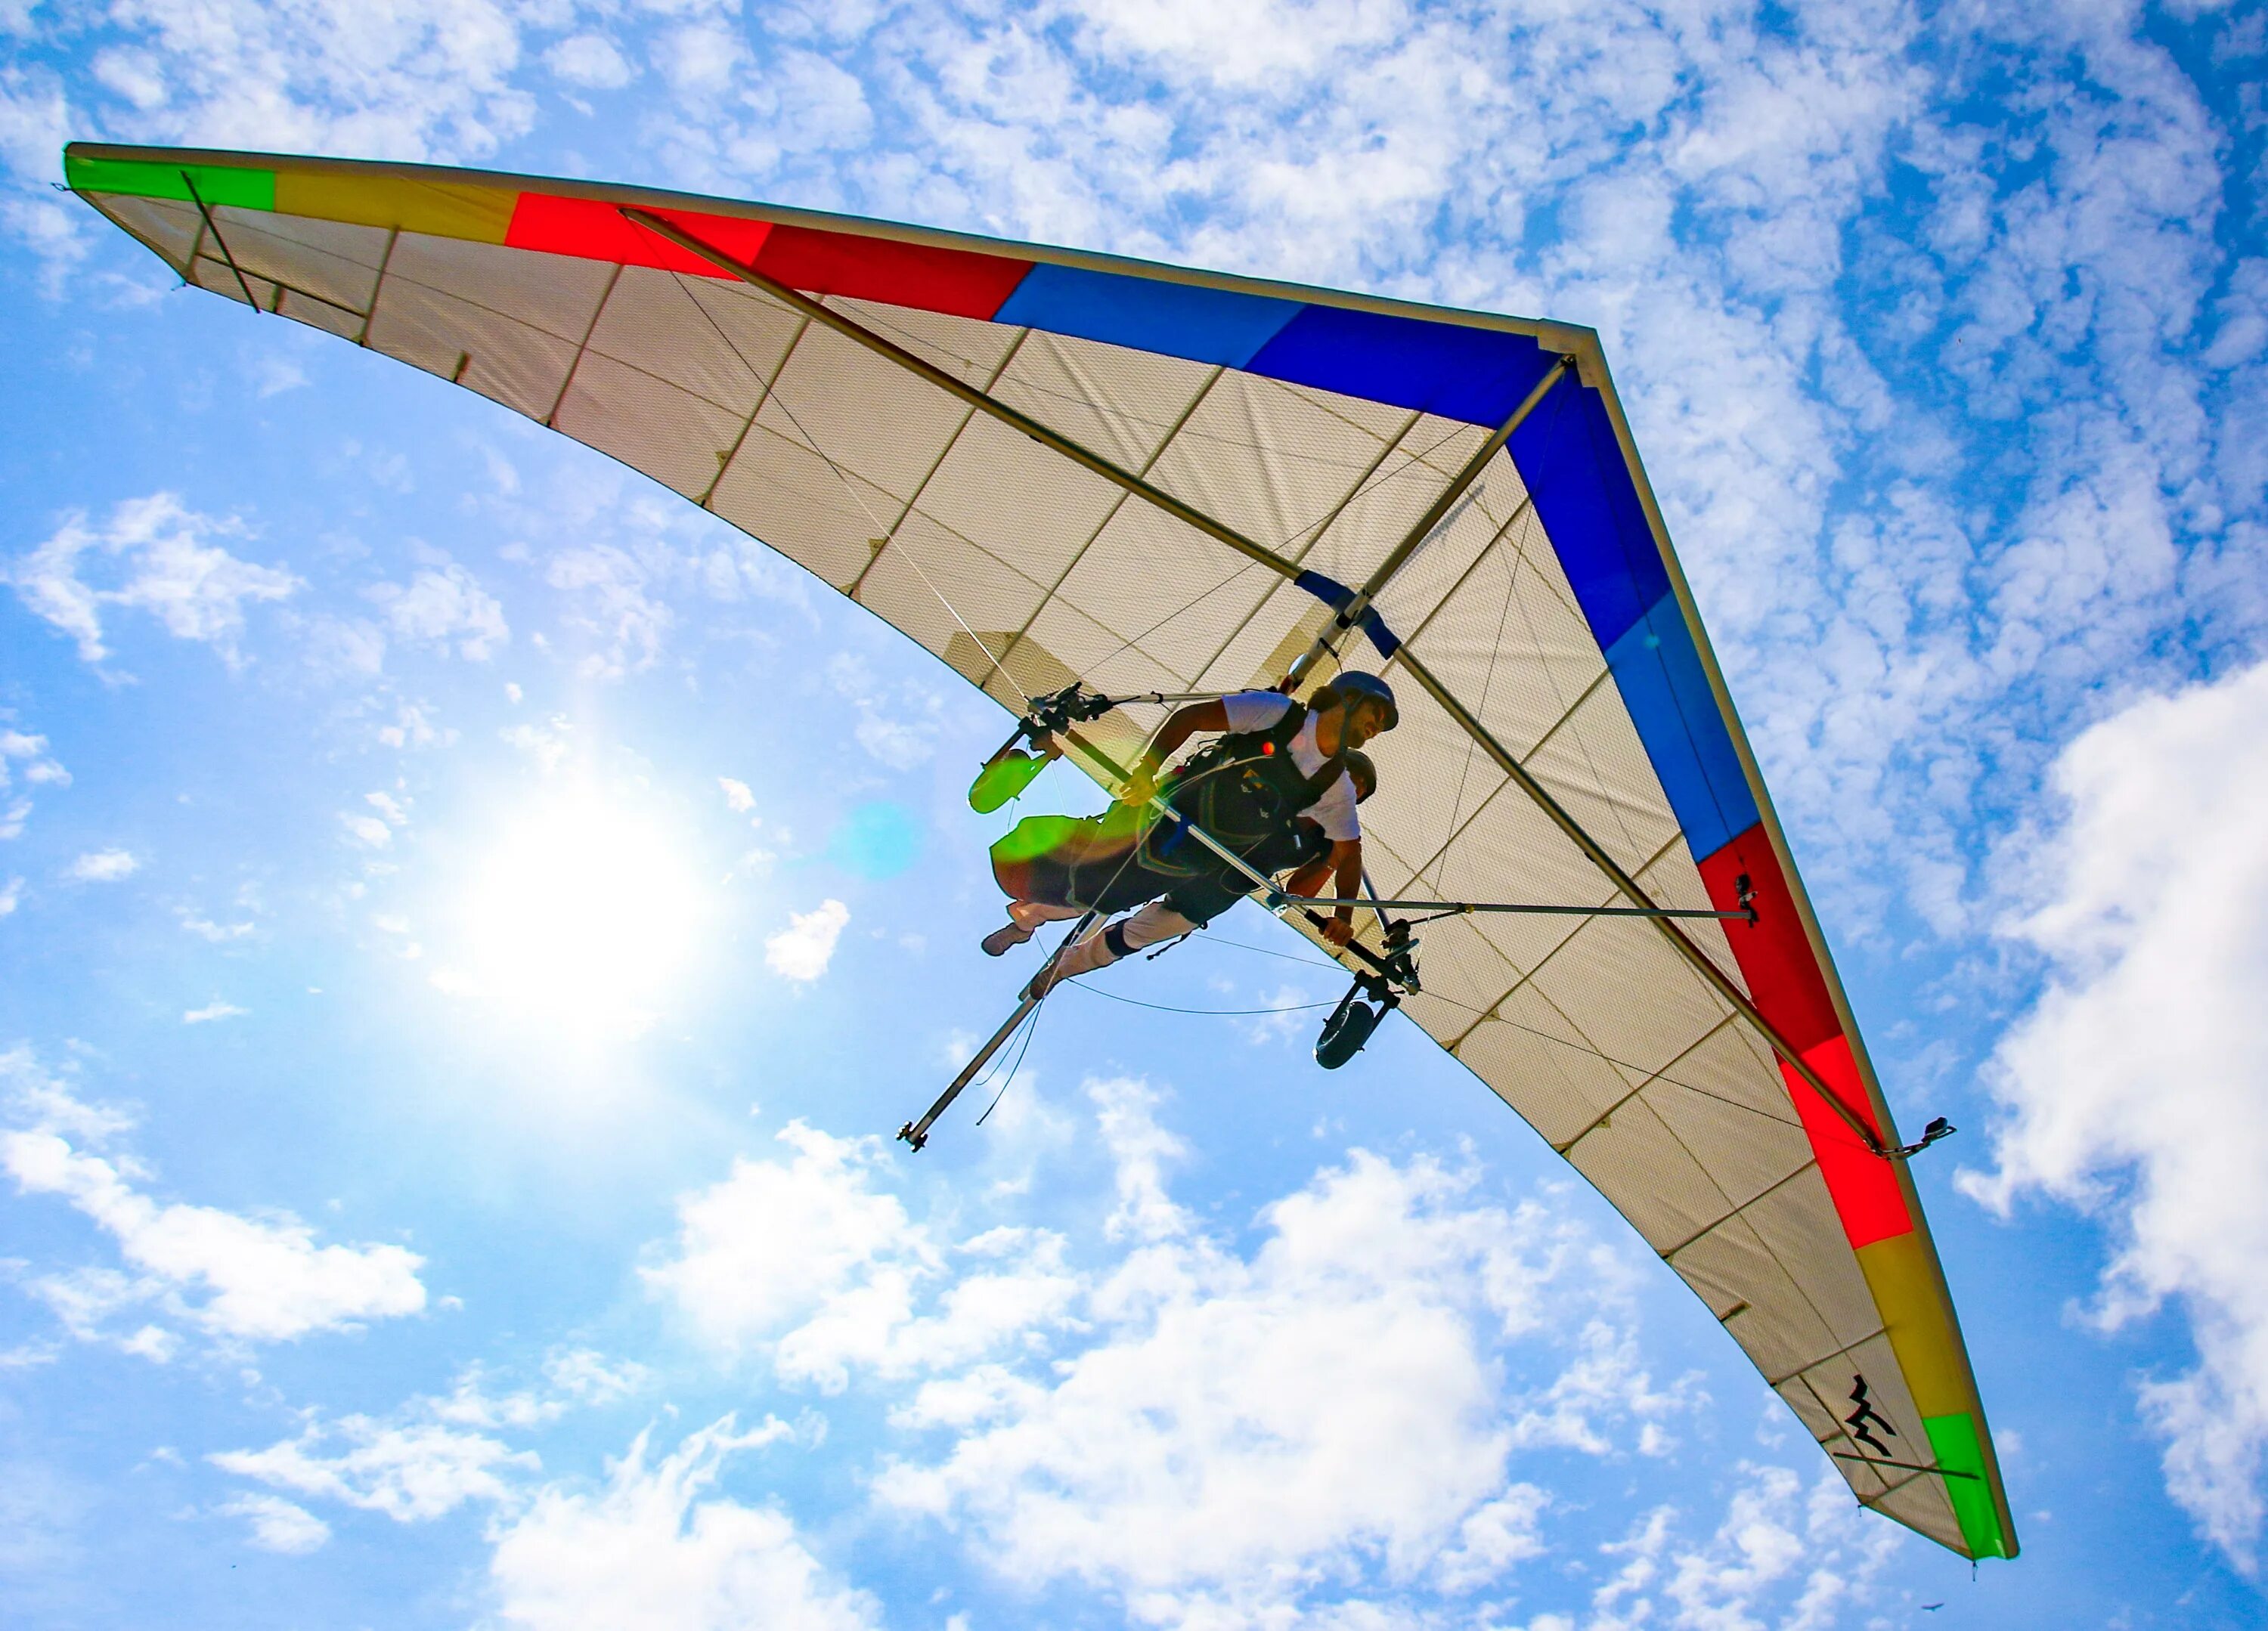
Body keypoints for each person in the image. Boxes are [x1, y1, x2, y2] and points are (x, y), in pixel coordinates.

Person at [979, 673, 1398, 993]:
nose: (1375, 728)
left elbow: (1351, 853)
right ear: (1348, 698)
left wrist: (1343, 917)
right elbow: (1193, 717)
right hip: (1176, 819)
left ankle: (1065, 966)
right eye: (1374, 716)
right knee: (1096, 885)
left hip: (1212, 868)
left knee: (1137, 920)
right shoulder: (1279, 713)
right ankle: (1028, 916)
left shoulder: (1332, 789)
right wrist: (1146, 771)